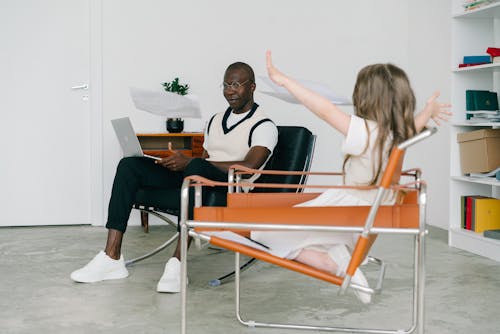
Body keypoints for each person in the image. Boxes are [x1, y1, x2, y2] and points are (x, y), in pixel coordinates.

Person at [251, 51, 451, 304]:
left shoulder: (365, 130)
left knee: (262, 231)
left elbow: (324, 109)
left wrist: (284, 80)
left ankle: (335, 265)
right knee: (291, 230)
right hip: (370, 212)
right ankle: (337, 256)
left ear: (365, 97)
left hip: (349, 209)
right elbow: (414, 125)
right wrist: (428, 110)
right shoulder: (398, 134)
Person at [70, 62, 279, 293]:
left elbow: (250, 167)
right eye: (226, 84)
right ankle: (111, 257)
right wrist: (179, 164)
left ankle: (178, 264)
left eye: (237, 84)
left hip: (230, 192)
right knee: (130, 165)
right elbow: (205, 159)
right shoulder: (214, 120)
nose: (230, 90)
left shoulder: (264, 125)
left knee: (196, 165)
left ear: (252, 87)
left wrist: (193, 164)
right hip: (199, 183)